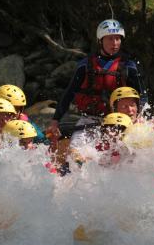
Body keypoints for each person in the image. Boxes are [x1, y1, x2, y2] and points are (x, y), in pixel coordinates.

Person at [45, 19, 147, 171]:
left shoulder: (129, 66)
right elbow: (69, 93)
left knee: (126, 160)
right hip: (90, 118)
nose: (115, 43)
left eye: (118, 38)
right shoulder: (85, 65)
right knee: (76, 157)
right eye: (110, 38)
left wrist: (142, 116)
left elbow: (142, 94)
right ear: (101, 40)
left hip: (118, 122)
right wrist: (55, 120)